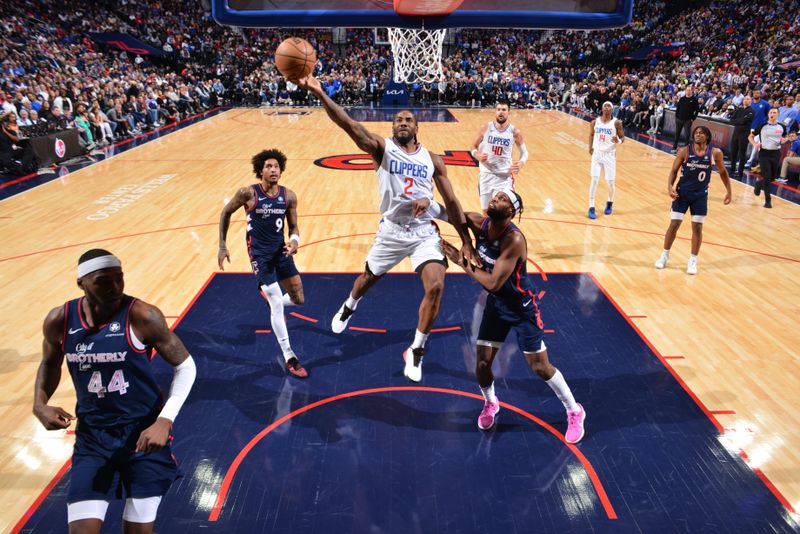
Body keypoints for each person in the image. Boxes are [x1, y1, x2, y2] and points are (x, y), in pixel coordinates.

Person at [298, 73, 478, 383]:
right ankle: (349, 306)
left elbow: (452, 202)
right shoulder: (382, 149)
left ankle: (417, 350)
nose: (403, 123)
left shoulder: (433, 161)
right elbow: (348, 125)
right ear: (392, 127)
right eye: (398, 120)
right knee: (366, 280)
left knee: (436, 286)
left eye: (408, 119)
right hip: (392, 231)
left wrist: (465, 242)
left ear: (417, 127)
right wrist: (319, 93)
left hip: (423, 232)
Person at [33, 249, 197, 533]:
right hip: (93, 437)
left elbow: (186, 367)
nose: (115, 287)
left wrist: (165, 419)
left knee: (138, 531)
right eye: (103, 281)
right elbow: (49, 363)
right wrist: (40, 403)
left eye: (119, 278)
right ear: (81, 283)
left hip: (143, 435)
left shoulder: (143, 315)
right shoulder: (60, 319)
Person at [440, 190, 585, 442]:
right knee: (482, 362)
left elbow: (494, 283)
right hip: (497, 307)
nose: (496, 199)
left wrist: (461, 261)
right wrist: (424, 204)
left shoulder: (514, 239)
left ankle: (574, 410)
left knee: (540, 367)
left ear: (511, 211)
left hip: (521, 308)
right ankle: (491, 403)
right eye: (496, 196)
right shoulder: (478, 222)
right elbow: (449, 213)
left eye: (504, 199)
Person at [218, 148, 308, 378]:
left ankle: (269, 298)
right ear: (260, 170)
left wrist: (295, 241)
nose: (273, 169)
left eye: (276, 166)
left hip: (281, 251)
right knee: (277, 302)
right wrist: (222, 245)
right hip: (260, 255)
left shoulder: (289, 196)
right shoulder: (248, 193)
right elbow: (225, 213)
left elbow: (294, 226)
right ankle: (290, 357)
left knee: (298, 299)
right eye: (268, 166)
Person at [655, 126, 732, 274]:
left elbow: (723, 172)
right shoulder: (684, 151)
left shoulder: (715, 153)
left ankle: (693, 260)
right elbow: (673, 171)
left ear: (707, 137)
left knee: (697, 227)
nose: (698, 135)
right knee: (674, 224)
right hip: (682, 194)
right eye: (696, 133)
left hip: (700, 195)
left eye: (701, 133)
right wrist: (670, 187)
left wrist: (729, 191)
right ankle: (664, 255)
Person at [470, 100, 528, 210]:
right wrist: (476, 154)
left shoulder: (514, 132)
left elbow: (524, 152)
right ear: (495, 112)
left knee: (503, 211)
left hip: (504, 177)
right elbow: (473, 146)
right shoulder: (485, 128)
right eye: (498, 109)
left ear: (508, 112)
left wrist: (521, 162)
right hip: (486, 175)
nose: (501, 112)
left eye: (504, 110)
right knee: (486, 212)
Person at [587, 101, 624, 219]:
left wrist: (617, 140)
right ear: (602, 109)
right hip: (597, 153)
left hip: (609, 154)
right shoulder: (594, 122)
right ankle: (591, 207)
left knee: (610, 182)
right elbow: (592, 135)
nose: (607, 108)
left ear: (612, 109)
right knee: (594, 180)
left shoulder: (617, 123)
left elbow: (623, 137)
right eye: (605, 106)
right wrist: (590, 147)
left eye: (609, 106)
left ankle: (609, 202)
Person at [749, 108, 788, 208]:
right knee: (767, 177)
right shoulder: (763, 125)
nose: (772, 114)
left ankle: (758, 184)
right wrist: (755, 144)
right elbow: (750, 136)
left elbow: (785, 137)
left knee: (771, 178)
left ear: (778, 114)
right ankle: (768, 201)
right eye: (770, 112)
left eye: (774, 112)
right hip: (764, 153)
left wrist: (784, 140)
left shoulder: (782, 126)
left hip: (776, 153)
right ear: (768, 114)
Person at [729, 96, 754, 177]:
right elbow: (731, 120)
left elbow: (745, 120)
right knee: (733, 151)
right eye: (745, 99)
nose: (746, 100)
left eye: (748, 99)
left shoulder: (752, 111)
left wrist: (739, 120)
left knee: (742, 153)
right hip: (736, 133)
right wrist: (740, 121)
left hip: (744, 134)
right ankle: (732, 169)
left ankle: (740, 171)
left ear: (751, 101)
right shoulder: (739, 109)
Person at [672, 86, 699, 153]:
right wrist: (676, 116)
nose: (688, 91)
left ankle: (686, 149)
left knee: (687, 135)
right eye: (687, 90)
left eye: (689, 90)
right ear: (685, 91)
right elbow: (678, 108)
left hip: (688, 120)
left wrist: (693, 119)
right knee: (677, 133)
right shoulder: (682, 99)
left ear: (691, 91)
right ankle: (674, 147)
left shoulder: (694, 99)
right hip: (679, 119)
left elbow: (697, 110)